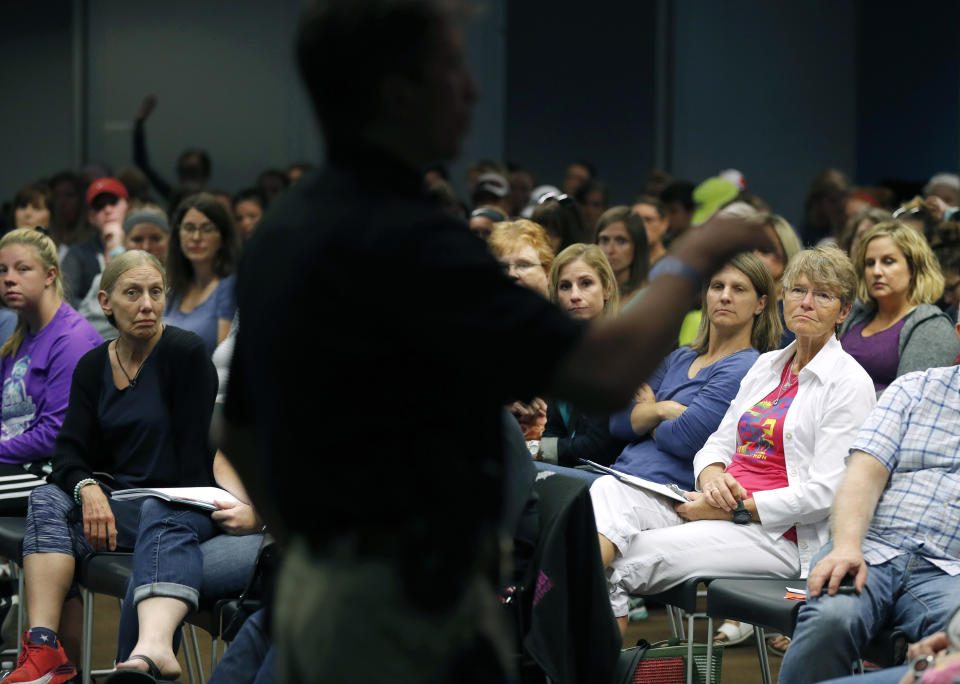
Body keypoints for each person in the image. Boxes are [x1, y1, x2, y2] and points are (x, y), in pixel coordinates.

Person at [224, 1, 770, 681]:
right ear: (398, 92)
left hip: (325, 590)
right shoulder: (412, 239)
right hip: (404, 612)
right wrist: (697, 254)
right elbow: (601, 369)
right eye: (451, 67)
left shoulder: (283, 230)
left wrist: (318, 547)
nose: (473, 88)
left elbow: (238, 430)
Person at [592, 247, 876, 635]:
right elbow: (716, 443)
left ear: (843, 311)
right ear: (782, 298)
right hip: (712, 503)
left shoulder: (849, 383)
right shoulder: (766, 365)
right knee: (608, 490)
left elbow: (826, 494)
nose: (806, 303)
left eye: (823, 295)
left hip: (775, 535)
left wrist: (736, 509)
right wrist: (711, 478)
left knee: (615, 564)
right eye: (797, 291)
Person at [1, 251, 237, 684]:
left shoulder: (184, 354)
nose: (146, 304)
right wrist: (88, 488)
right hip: (115, 507)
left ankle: (135, 666)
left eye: (155, 292)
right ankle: (44, 649)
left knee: (149, 518)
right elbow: (68, 455)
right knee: (47, 499)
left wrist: (117, 500)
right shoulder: (94, 365)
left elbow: (192, 474)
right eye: (133, 293)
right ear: (106, 302)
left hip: (177, 507)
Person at [778, 363, 960, 684]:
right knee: (830, 620)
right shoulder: (914, 389)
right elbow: (864, 472)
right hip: (871, 548)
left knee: (956, 642)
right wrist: (847, 544)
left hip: (951, 572)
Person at [0, 229, 102, 513]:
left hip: (52, 472)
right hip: (17, 463)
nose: (9, 278)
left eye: (23, 269)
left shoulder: (71, 339)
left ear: (49, 275)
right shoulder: (19, 337)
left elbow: (54, 435)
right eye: (2, 270)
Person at [840, 221, 960, 394]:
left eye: (888, 261)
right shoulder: (856, 315)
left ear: (913, 268)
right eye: (870, 263)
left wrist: (840, 408)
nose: (876, 271)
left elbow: (908, 398)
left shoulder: (933, 327)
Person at [535, 244, 624, 471]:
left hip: (608, 473)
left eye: (585, 283)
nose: (575, 296)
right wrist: (541, 450)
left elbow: (597, 446)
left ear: (606, 289)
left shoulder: (619, 352)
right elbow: (554, 428)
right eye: (565, 286)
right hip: (570, 468)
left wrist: (540, 450)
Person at [164, 193, 238, 355]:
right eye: (189, 228)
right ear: (178, 234)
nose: (196, 237)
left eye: (207, 229)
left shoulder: (229, 286)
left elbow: (223, 362)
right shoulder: (174, 289)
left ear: (223, 237)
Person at [61, 177, 129, 309]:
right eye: (100, 206)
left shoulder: (144, 245)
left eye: (113, 202)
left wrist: (117, 249)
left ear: (127, 206)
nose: (108, 210)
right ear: (91, 217)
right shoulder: (77, 253)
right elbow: (64, 298)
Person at [596, 206, 649, 308]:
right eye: (604, 240)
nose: (610, 250)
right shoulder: (583, 293)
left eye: (621, 241)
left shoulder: (648, 297)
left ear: (637, 246)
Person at [632, 194, 670, 266]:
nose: (641, 226)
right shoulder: (619, 265)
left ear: (664, 224)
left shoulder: (674, 266)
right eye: (635, 220)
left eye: (648, 220)